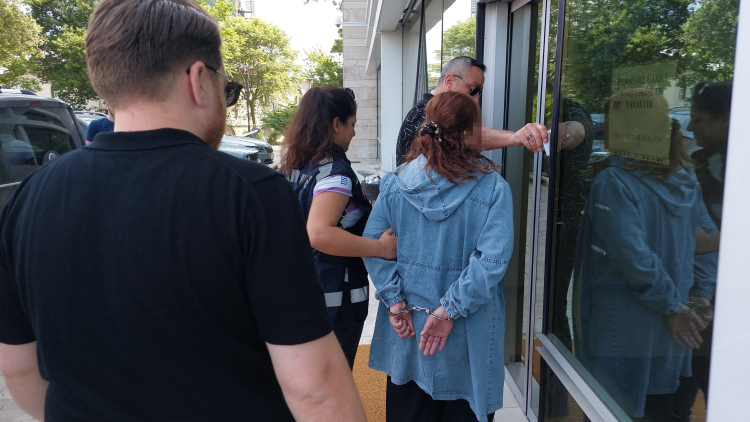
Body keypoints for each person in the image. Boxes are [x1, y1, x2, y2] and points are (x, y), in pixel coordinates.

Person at [0, 0, 367, 421]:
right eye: (227, 89)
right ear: (198, 80)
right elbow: (315, 389)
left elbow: (19, 367)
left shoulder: (28, 198)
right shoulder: (251, 194)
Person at [363, 91, 513, 422]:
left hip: (408, 331)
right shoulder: (493, 188)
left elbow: (372, 244)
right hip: (468, 334)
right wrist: (448, 311)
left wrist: (394, 302)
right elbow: (491, 262)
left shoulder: (396, 183)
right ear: (468, 134)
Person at [573, 89, 717, 421]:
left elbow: (633, 258)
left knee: (612, 408)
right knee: (659, 406)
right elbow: (710, 242)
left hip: (624, 322)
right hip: (673, 322)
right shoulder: (683, 176)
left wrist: (675, 306)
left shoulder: (613, 181)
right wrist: (698, 295)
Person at [280, 86, 397, 369]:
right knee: (333, 382)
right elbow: (320, 233)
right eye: (352, 124)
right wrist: (380, 248)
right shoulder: (336, 173)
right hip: (335, 300)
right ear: (336, 124)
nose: (354, 133)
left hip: (300, 290)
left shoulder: (297, 166)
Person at [667, 80, 731, 422]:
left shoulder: (717, 167)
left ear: (726, 120)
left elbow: (690, 239)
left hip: (713, 300)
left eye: (699, 119)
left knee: (686, 387)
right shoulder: (706, 162)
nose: (691, 127)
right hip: (706, 296)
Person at [395, 56, 548, 166]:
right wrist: (514, 137)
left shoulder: (424, 111)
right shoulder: (424, 114)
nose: (476, 100)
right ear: (449, 81)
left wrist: (515, 137)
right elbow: (471, 137)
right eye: (473, 90)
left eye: (479, 92)